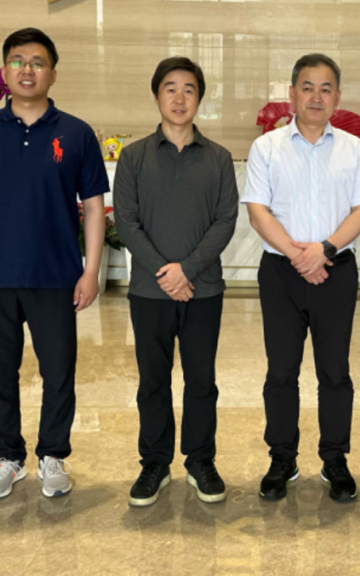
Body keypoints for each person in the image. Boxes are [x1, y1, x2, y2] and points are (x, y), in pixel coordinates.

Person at [0, 28, 109, 501]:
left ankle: (53, 455)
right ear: (4, 71)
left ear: (52, 74)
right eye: (18, 61)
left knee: (58, 370)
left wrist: (90, 271)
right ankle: (8, 458)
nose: (27, 69)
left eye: (38, 62)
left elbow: (94, 207)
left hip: (55, 275)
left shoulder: (76, 133)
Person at [241, 53, 360, 503]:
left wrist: (325, 250)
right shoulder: (267, 148)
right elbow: (258, 211)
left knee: (335, 371)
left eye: (325, 88)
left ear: (337, 96)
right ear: (292, 94)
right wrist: (298, 254)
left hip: (336, 269)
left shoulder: (354, 149)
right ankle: (282, 457)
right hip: (280, 272)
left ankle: (335, 458)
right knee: (281, 371)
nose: (316, 97)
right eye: (307, 87)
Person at [113, 57, 239, 507]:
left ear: (199, 98)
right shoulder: (133, 157)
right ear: (156, 96)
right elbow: (126, 222)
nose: (180, 97)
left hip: (204, 291)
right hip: (150, 292)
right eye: (170, 88)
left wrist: (187, 270)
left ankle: (200, 460)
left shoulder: (218, 158)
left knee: (201, 380)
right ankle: (154, 462)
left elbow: (225, 221)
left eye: (189, 89)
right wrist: (166, 273)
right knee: (153, 380)